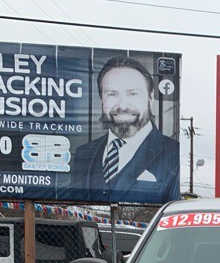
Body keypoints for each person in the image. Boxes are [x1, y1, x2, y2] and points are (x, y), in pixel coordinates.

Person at [61, 57, 180, 203]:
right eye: (112, 94)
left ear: (150, 97)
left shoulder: (174, 154)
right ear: (102, 99)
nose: (122, 105)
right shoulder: (83, 154)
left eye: (132, 93)